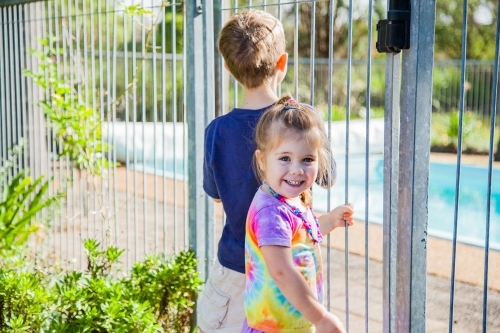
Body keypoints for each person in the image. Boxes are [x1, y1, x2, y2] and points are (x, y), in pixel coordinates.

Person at [198, 9, 337, 333]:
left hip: (236, 268)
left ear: (228, 66)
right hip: (294, 267)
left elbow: (218, 198)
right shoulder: (302, 119)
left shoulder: (217, 131)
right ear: (282, 63)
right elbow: (327, 175)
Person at [242, 96, 353, 333]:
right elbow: (281, 270)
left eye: (307, 160)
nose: (296, 169)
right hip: (274, 327)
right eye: (285, 158)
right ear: (262, 160)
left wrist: (330, 221)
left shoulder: (291, 199)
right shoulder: (271, 212)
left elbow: (299, 236)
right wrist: (321, 317)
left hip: (293, 323)